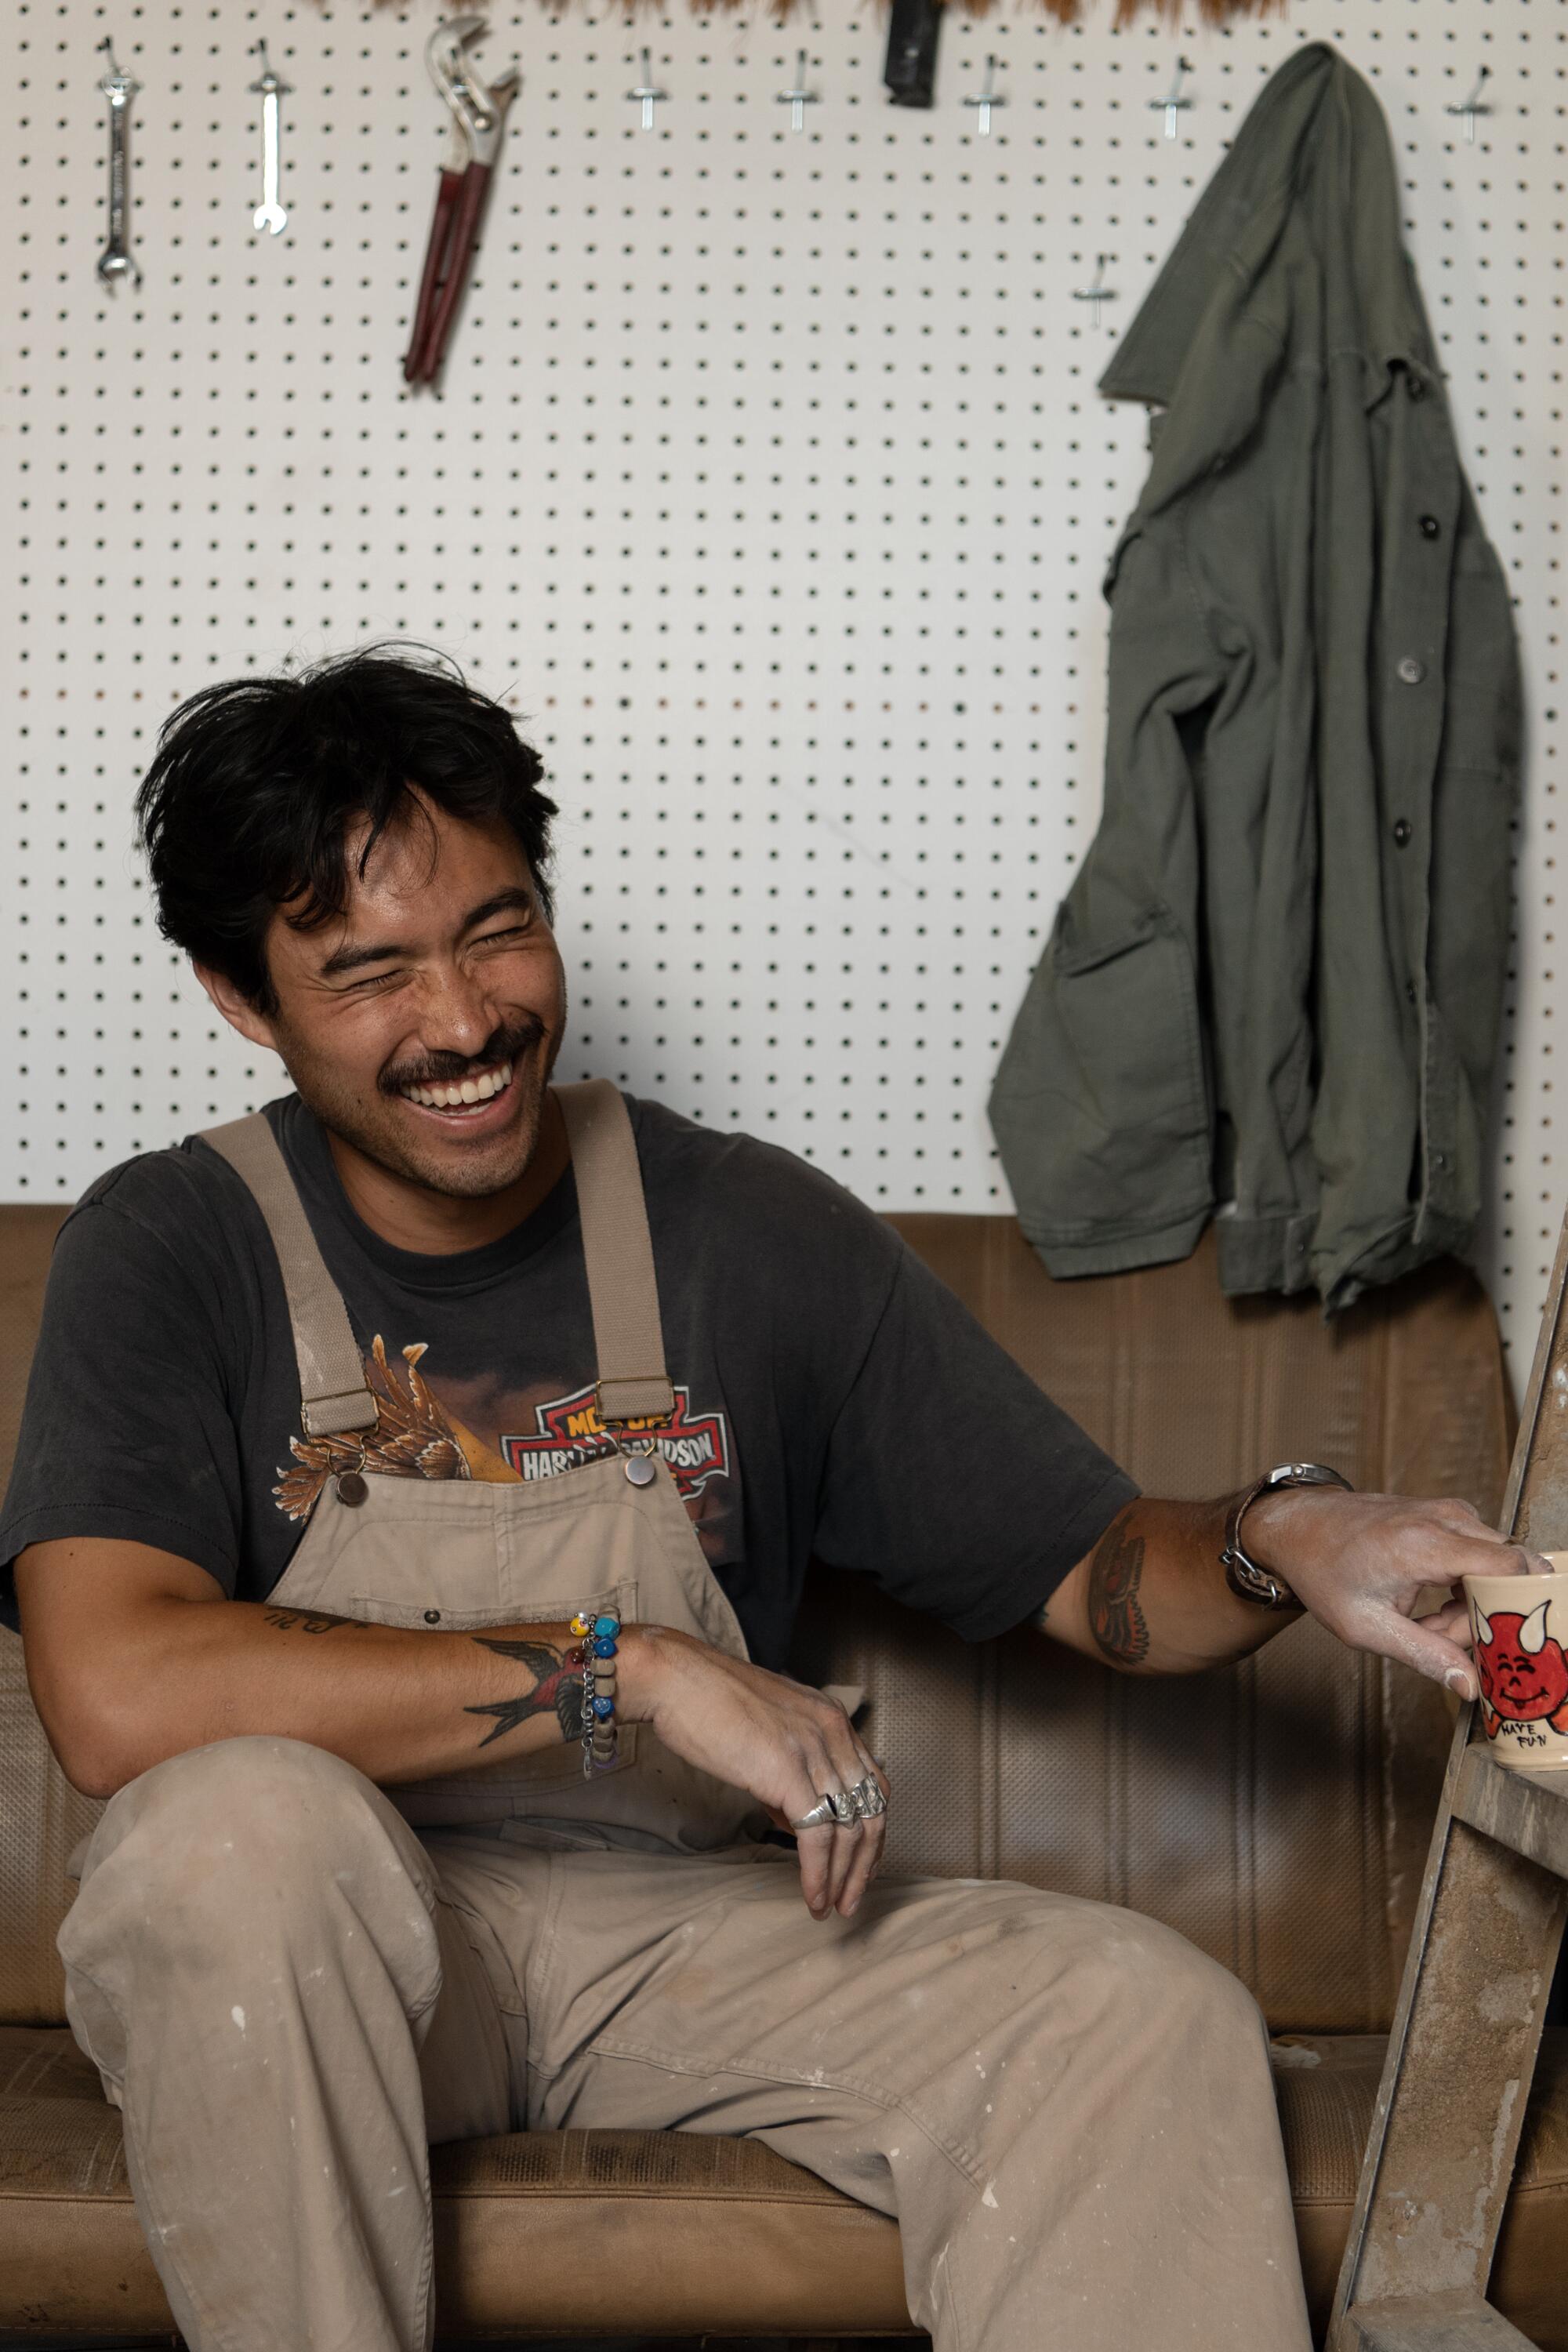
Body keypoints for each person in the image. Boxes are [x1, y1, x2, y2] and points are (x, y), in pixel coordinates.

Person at [2, 644, 1533, 2352]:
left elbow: (1095, 1568)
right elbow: (117, 1693)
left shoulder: (742, 1227)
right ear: (240, 996)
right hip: (315, 1949)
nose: (462, 1022)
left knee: (1138, 2013)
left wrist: (1287, 1532)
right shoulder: (169, 1244)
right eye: (368, 973)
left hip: (664, 1937)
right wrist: (637, 1668)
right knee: (237, 1836)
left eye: (497, 929)